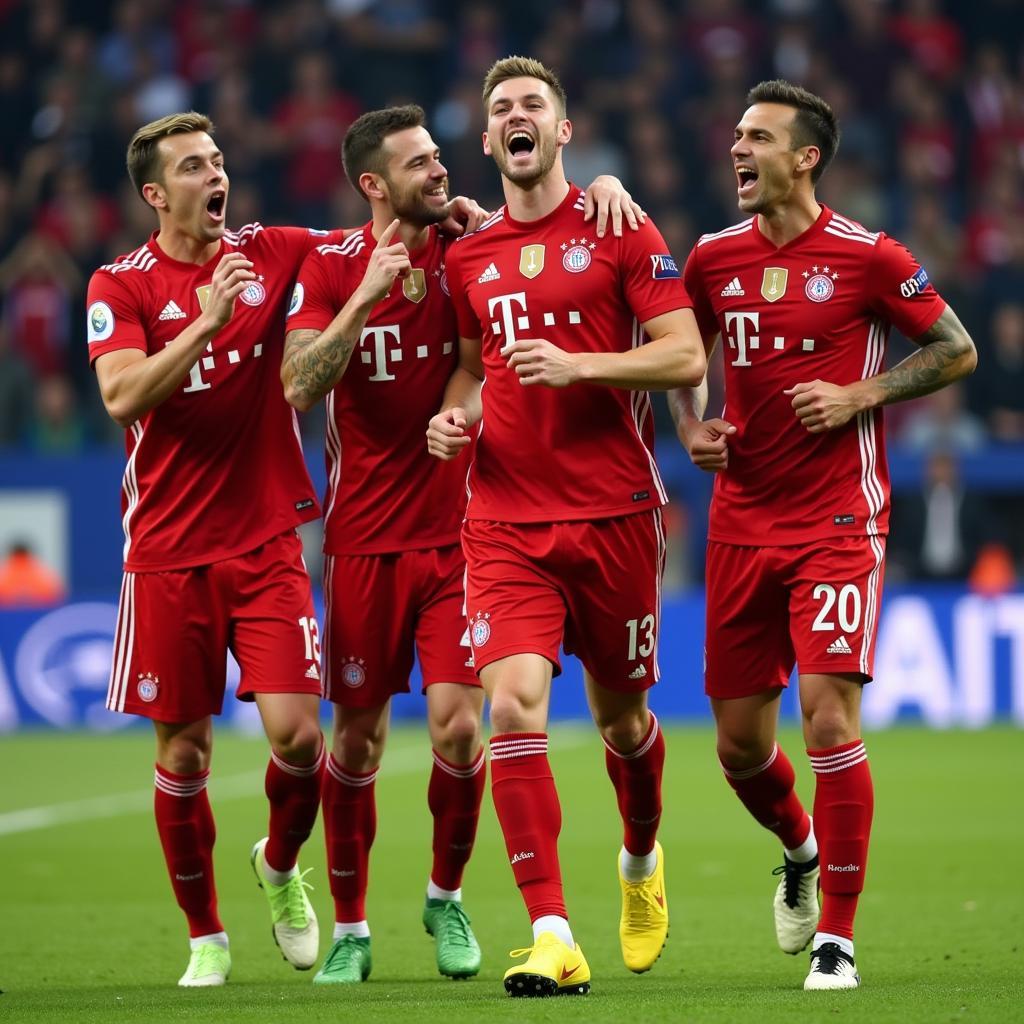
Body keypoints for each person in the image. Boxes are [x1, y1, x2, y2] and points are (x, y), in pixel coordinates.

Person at [281, 103, 647, 986]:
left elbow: (480, 354)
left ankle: (446, 896)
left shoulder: (468, 247)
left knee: (459, 729)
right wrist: (366, 294)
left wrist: (602, 185)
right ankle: (353, 926)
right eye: (419, 163)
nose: (440, 172)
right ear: (374, 184)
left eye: (440, 156)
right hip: (364, 539)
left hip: (463, 534)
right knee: (356, 741)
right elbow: (299, 383)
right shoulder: (330, 265)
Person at [669, 79, 977, 991]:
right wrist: (691, 424)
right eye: (735, 135)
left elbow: (954, 347)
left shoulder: (869, 256)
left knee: (829, 716)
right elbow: (681, 352)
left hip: (839, 519)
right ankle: (799, 849)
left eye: (757, 138)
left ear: (805, 157)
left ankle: (837, 937)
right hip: (740, 523)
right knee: (737, 748)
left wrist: (860, 395)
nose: (738, 150)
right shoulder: (713, 258)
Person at [427, 56, 706, 997]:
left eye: (532, 104)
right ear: (487, 140)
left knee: (624, 723)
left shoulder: (619, 226)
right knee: (510, 707)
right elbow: (473, 367)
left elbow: (683, 353)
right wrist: (457, 412)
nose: (517, 115)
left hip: (616, 515)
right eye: (500, 105)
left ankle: (638, 863)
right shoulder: (467, 255)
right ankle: (551, 929)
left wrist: (582, 368)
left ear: (564, 129)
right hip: (503, 516)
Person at [86, 111, 345, 988]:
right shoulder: (117, 286)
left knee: (302, 739)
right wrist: (205, 322)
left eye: (219, 160)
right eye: (193, 166)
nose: (214, 174)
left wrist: (454, 208)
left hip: (268, 541)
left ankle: (277, 864)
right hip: (166, 553)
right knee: (184, 754)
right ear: (157, 194)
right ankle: (206, 935)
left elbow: (370, 234)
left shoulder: (271, 249)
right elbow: (122, 397)